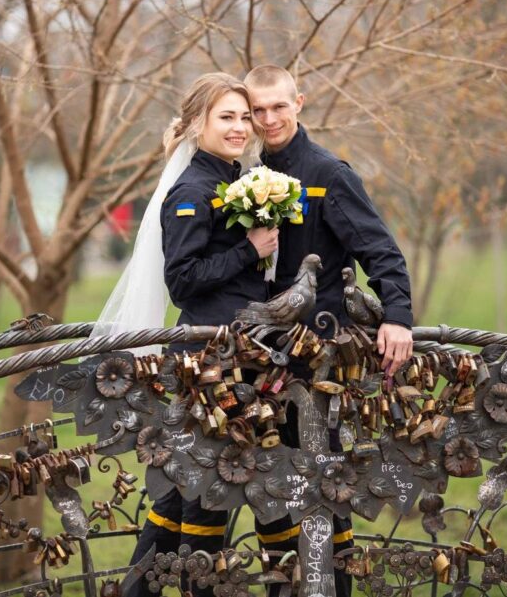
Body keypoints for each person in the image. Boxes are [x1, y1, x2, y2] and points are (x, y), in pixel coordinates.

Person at [96, 73, 278, 597]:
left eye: (245, 117)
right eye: (227, 116)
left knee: (180, 494)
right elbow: (182, 281)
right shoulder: (194, 189)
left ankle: (137, 591)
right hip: (205, 364)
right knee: (204, 490)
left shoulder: (231, 180)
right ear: (199, 124)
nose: (241, 127)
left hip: (232, 357)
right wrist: (251, 250)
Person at [244, 64, 414, 597]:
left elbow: (380, 250)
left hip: (319, 367)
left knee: (324, 495)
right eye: (258, 110)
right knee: (271, 493)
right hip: (260, 363)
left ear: (300, 102)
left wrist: (398, 318)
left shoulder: (328, 173)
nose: (269, 119)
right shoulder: (244, 175)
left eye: (279, 106)